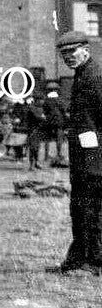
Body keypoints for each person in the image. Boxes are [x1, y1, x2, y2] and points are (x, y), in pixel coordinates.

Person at [52, 31, 102, 274]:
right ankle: (78, 259)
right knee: (80, 208)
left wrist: (95, 162)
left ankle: (93, 262)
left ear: (86, 50)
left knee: (91, 209)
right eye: (64, 54)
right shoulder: (81, 76)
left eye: (72, 52)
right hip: (83, 157)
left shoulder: (95, 77)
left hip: (94, 159)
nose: (68, 57)